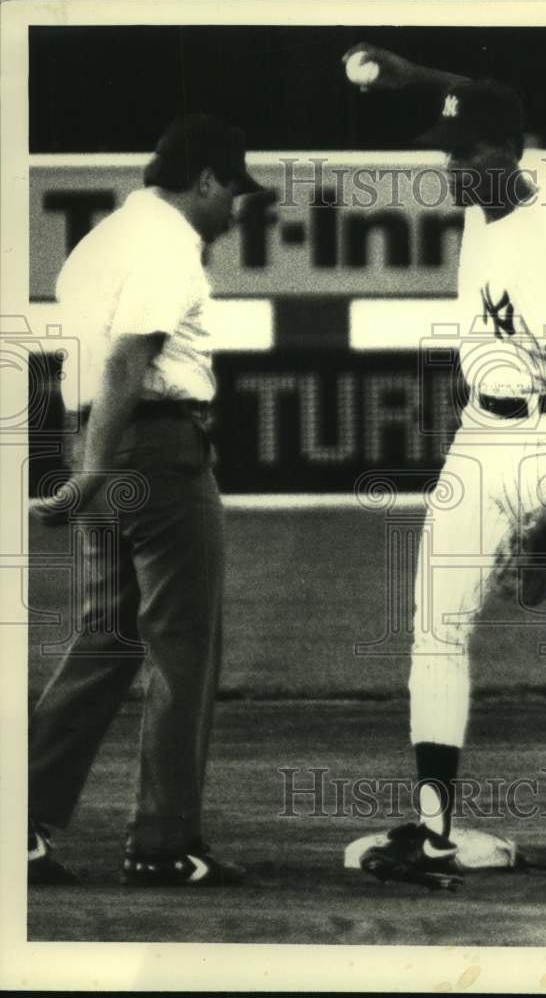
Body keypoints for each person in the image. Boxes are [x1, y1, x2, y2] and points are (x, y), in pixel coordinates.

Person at [343, 45, 546, 891]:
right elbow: (483, 105)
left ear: (508, 155)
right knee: (435, 630)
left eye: (465, 154)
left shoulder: (537, 239)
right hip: (479, 440)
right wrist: (414, 79)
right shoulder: (486, 200)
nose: (451, 169)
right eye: (445, 153)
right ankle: (433, 828)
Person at [28, 114, 264, 886]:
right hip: (156, 450)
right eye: (232, 189)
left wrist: (92, 462)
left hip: (98, 435)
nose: (235, 207)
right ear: (203, 180)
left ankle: (19, 822)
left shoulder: (101, 239)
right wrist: (98, 470)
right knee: (183, 645)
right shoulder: (168, 243)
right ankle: (162, 843)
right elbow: (131, 355)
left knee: (107, 639)